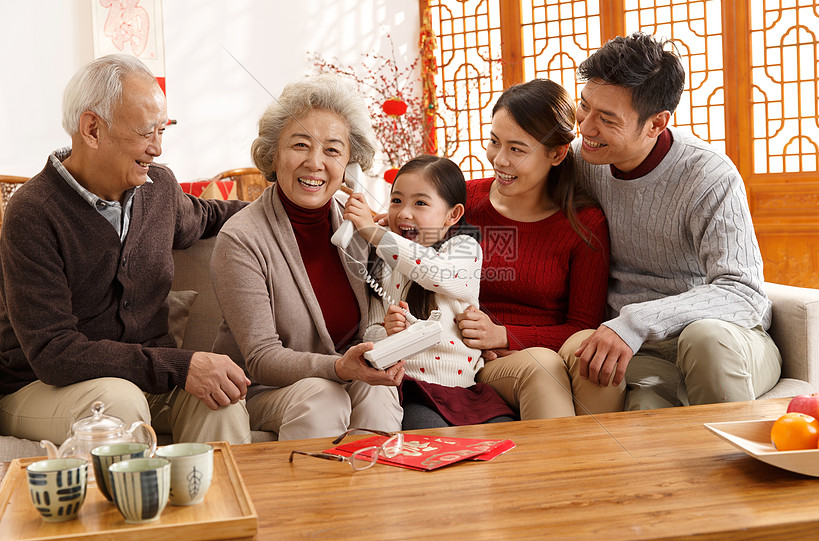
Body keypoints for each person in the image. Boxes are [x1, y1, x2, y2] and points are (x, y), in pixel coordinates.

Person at [0, 54, 251, 445]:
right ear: (92, 129)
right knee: (118, 402)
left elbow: (210, 214)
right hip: (39, 386)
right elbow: (53, 352)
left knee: (222, 399)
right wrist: (180, 366)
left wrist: (288, 206)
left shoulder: (158, 190)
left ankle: (219, 506)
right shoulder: (33, 212)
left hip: (145, 379)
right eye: (146, 132)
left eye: (163, 131)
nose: (158, 149)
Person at [570, 32, 782, 410]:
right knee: (644, 419)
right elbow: (504, 189)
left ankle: (739, 467)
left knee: (704, 338)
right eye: (584, 107)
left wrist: (635, 321)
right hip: (644, 354)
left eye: (606, 119)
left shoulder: (708, 174)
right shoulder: (582, 160)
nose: (585, 127)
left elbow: (743, 291)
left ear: (656, 123)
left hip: (727, 341)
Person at [209, 75, 405, 441]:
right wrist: (340, 368)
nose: (315, 163)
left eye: (332, 150)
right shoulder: (241, 238)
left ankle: (376, 494)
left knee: (378, 390)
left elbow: (372, 322)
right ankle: (313, 498)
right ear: (273, 154)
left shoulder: (356, 222)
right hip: (263, 389)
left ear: (350, 165)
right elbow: (262, 357)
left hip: (344, 374)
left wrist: (387, 340)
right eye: (300, 145)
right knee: (323, 396)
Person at [455, 78, 625, 419]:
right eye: (494, 142)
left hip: (544, 349)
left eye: (517, 149)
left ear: (557, 153)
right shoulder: (463, 202)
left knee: (593, 353)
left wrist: (504, 335)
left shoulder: (584, 223)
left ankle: (603, 464)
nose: (499, 159)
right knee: (542, 365)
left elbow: (581, 326)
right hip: (479, 360)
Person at [342, 155, 515, 429]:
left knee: (503, 438)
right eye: (396, 201)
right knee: (432, 440)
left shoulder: (464, 250)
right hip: (412, 391)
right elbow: (369, 333)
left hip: (463, 390)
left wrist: (375, 233)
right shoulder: (381, 262)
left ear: (453, 215)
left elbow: (435, 272)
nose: (404, 213)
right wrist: (387, 332)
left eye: (420, 203)